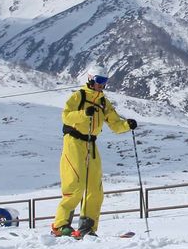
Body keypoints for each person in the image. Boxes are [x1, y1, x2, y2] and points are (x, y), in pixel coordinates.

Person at [50, 74, 137, 238]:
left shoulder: (103, 101)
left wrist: (127, 125)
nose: (102, 85)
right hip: (74, 141)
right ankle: (60, 226)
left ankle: (87, 227)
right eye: (99, 81)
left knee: (95, 188)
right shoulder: (79, 96)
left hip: (91, 143)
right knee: (75, 184)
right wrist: (84, 114)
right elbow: (66, 116)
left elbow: (115, 124)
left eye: (105, 81)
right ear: (90, 79)